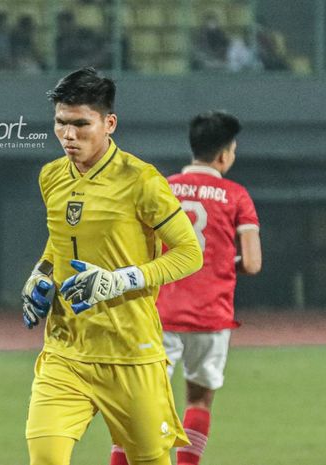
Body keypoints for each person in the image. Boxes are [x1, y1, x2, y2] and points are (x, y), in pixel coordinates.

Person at [22, 67, 204, 465]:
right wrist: (41, 275)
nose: (68, 136)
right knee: (46, 457)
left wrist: (122, 279)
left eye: (80, 124)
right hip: (65, 352)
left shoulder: (141, 181)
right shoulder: (51, 177)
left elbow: (190, 252)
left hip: (130, 353)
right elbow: (59, 241)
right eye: (60, 123)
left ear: (109, 123)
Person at [108, 111, 262, 465]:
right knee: (197, 401)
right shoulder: (237, 196)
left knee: (139, 403)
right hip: (210, 317)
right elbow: (252, 263)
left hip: (157, 314)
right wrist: (225, 263)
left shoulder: (161, 187)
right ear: (224, 155)